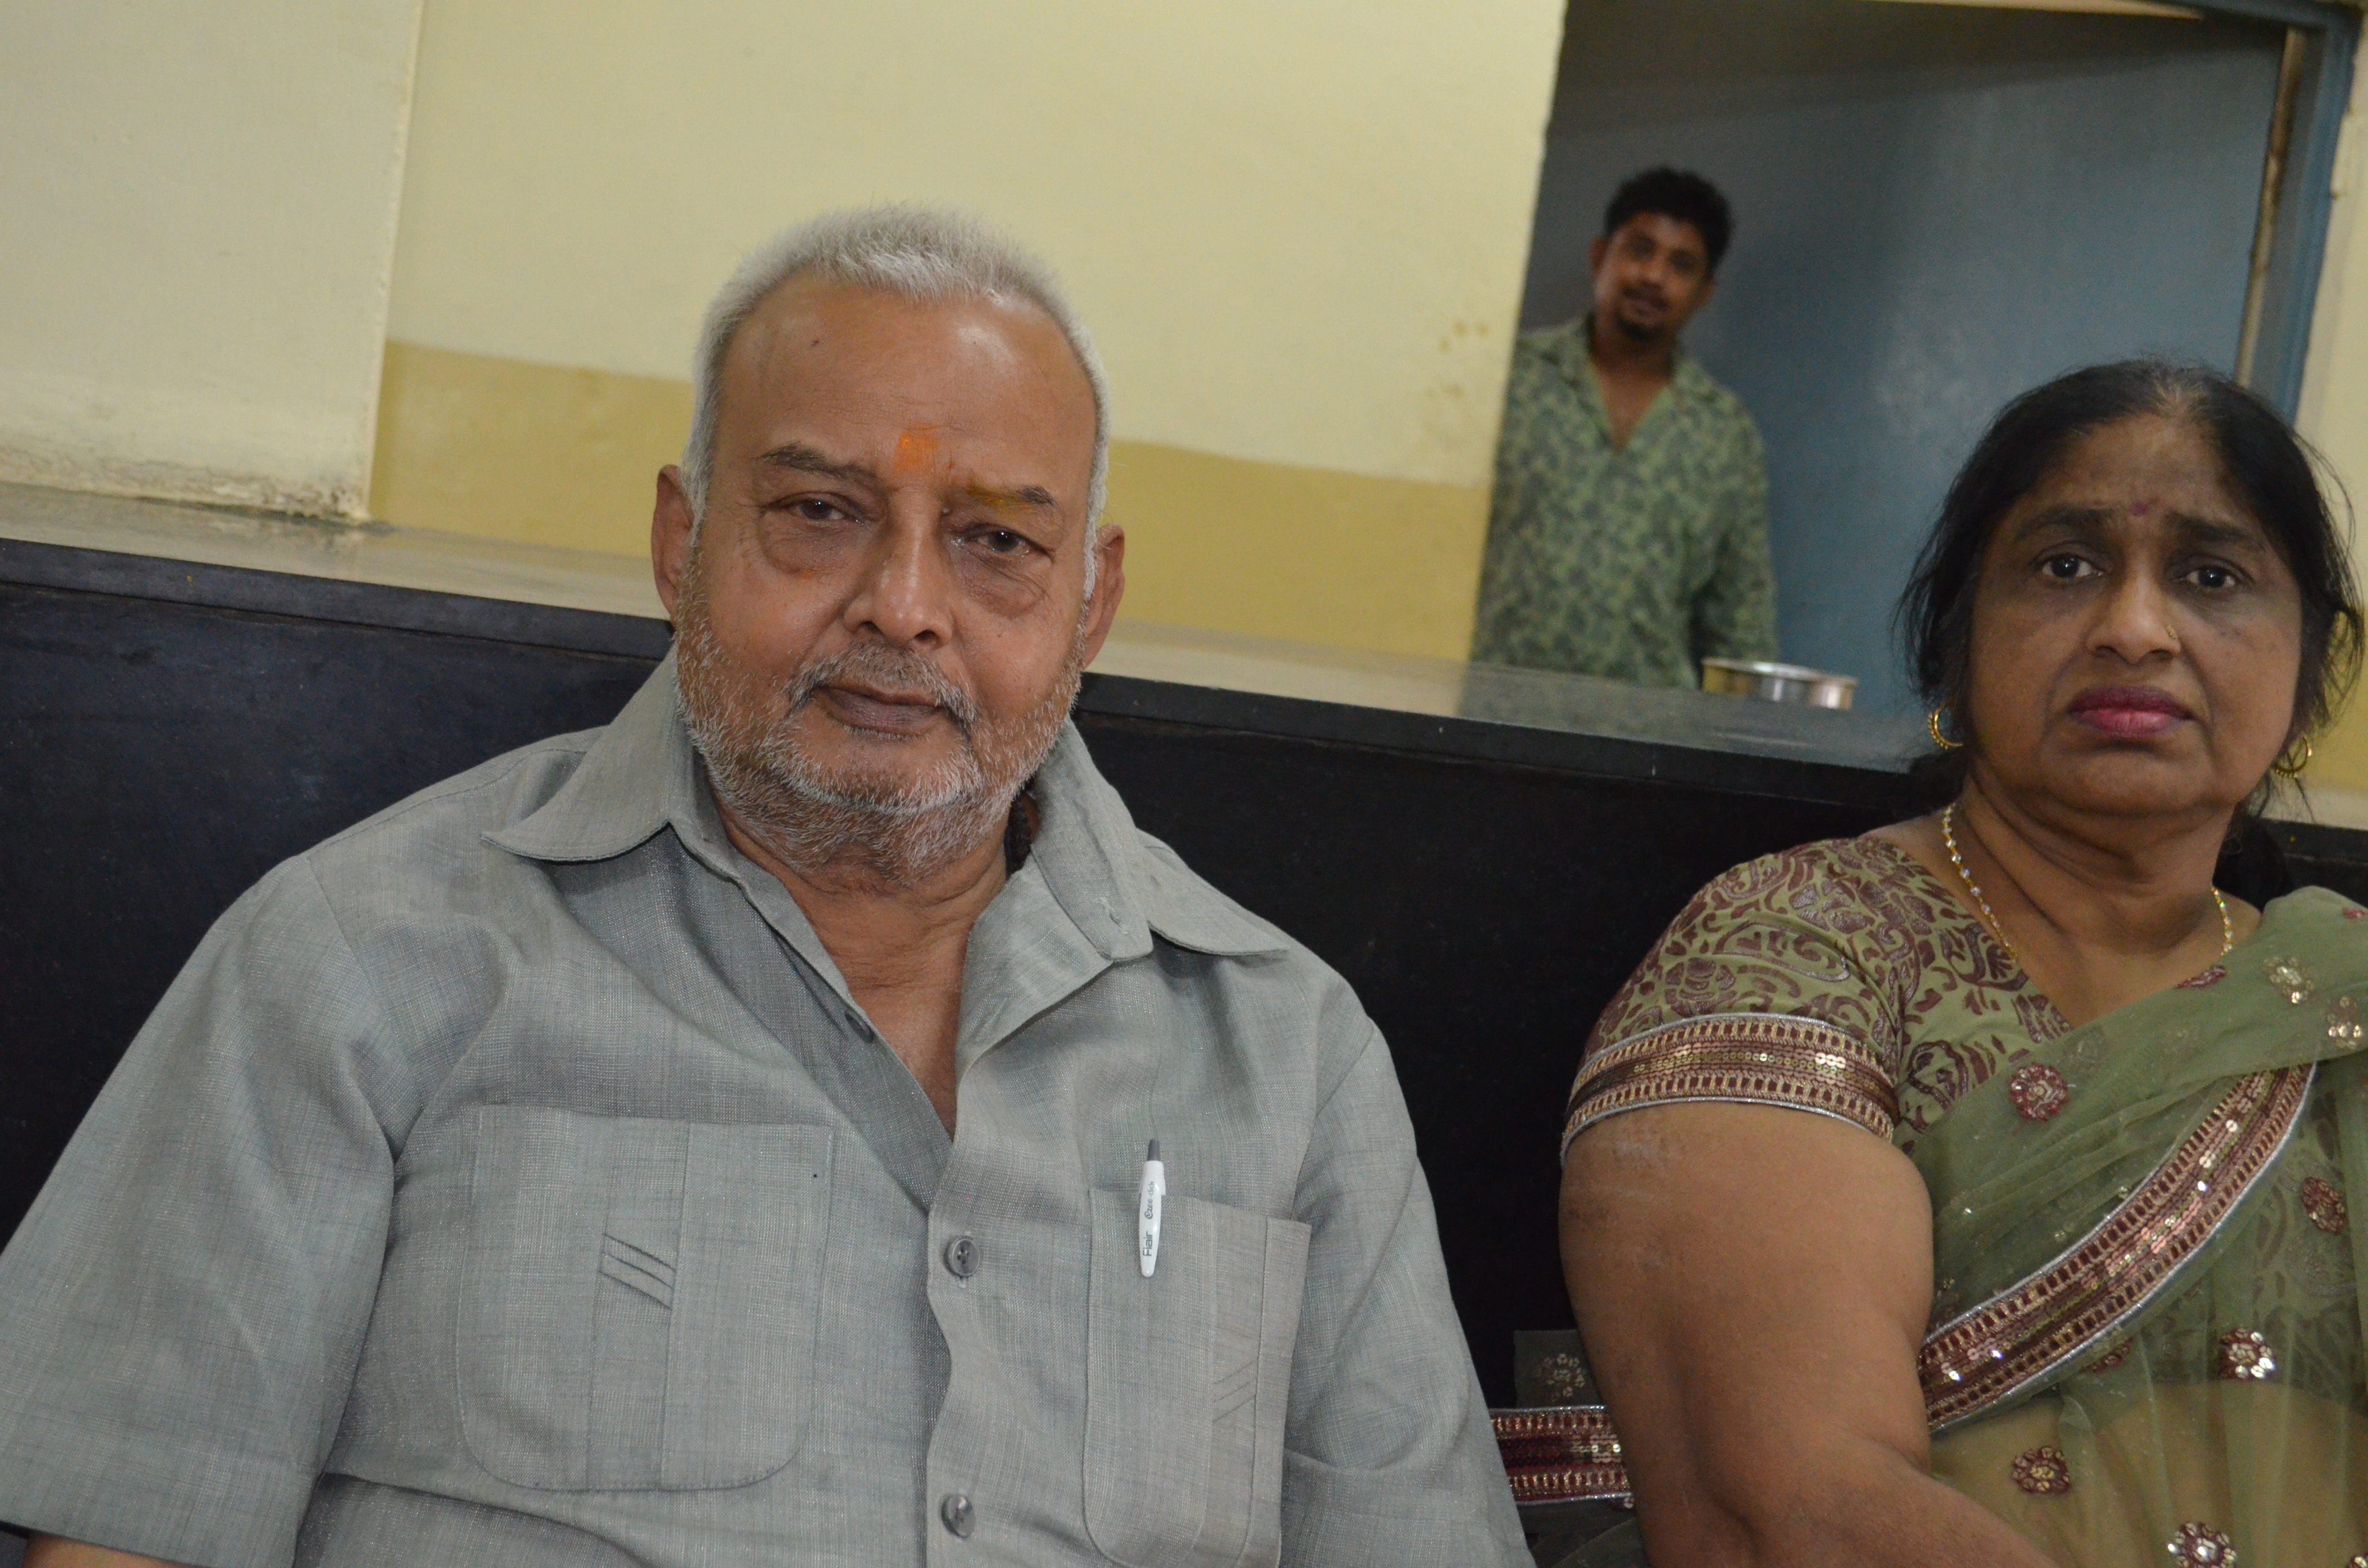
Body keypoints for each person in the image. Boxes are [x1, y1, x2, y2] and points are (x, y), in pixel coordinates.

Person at [0, 207, 1529, 1568]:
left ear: (1091, 601)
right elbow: (129, 1536)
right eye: (818, 513)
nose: (903, 606)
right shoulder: (360, 962)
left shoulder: (1286, 1054)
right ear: (681, 543)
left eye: (995, 541)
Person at [1555, 361, 2367, 1566]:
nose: (2136, 628)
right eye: (2066, 566)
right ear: (1957, 642)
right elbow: (1796, 1507)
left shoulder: (2337, 999)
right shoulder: (1797, 947)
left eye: (2212, 576)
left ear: (2306, 671)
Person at [1472, 167, 1776, 689]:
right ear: (1600, 256)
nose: (1653, 277)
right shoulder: (1514, 381)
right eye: (1639, 250)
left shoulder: (1724, 434)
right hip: (1494, 710)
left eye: (1681, 265)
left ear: (1704, 292)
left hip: (1647, 729)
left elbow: (1741, 620)